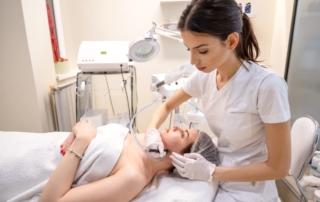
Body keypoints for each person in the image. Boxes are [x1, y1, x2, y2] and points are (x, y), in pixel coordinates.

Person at [143, 0, 291, 201]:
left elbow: (279, 168)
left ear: (231, 42)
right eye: (189, 49)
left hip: (251, 190)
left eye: (202, 51)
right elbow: (167, 105)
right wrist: (151, 131)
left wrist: (212, 172)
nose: (193, 61)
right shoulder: (204, 77)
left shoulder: (267, 85)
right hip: (217, 180)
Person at [0, 121, 204, 202]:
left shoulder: (135, 176)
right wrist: (82, 126)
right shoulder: (140, 139)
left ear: (181, 160)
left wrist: (81, 141)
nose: (176, 126)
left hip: (21, 169)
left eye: (184, 133)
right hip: (23, 143)